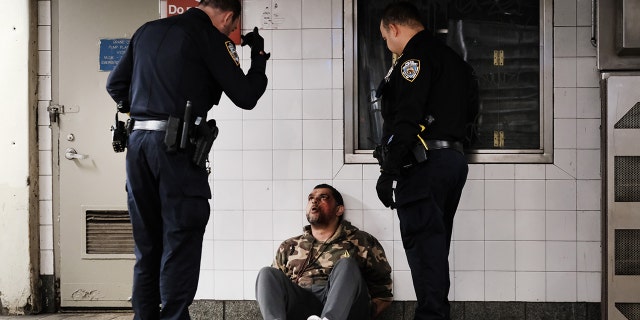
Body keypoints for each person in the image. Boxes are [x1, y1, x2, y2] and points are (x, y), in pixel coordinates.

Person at [105, 0, 269, 318]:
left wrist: (143, 112)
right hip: (174, 148)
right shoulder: (207, 36)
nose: (231, 32)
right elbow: (246, 95)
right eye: (232, 27)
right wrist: (258, 58)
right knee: (181, 237)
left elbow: (115, 84)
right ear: (229, 16)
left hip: (137, 145)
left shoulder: (146, 32)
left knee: (147, 245)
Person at [374, 2, 478, 320]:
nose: (388, 46)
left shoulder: (414, 60)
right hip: (452, 160)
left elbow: (408, 114)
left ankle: (431, 317)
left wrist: (390, 169)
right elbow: (473, 114)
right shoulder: (455, 61)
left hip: (424, 163)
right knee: (434, 245)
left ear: (394, 28)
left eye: (386, 38)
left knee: (423, 245)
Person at [255, 184, 393, 320]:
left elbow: (383, 294)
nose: (314, 201)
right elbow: (274, 292)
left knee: (346, 264)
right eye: (311, 198)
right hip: (303, 305)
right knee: (267, 273)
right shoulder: (289, 246)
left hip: (346, 309)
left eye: (323, 197)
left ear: (339, 210)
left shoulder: (361, 241)